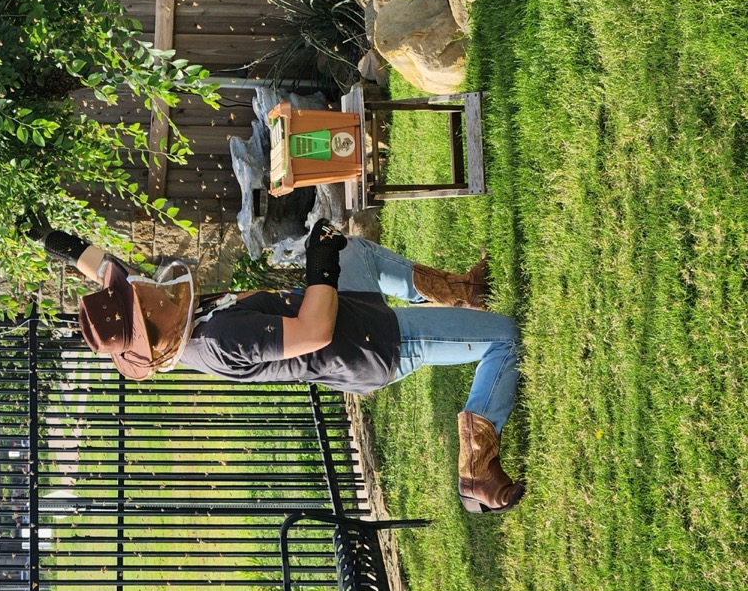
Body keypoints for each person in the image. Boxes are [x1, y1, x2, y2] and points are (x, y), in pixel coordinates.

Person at [38, 218, 525, 514]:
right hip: (370, 346)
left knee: (353, 248)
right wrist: (319, 264)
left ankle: (465, 293)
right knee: (504, 338)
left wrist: (52, 239)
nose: (141, 282)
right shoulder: (219, 340)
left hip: (353, 312)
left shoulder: (174, 315)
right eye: (137, 293)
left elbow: (109, 270)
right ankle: (475, 471)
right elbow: (316, 331)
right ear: (147, 321)